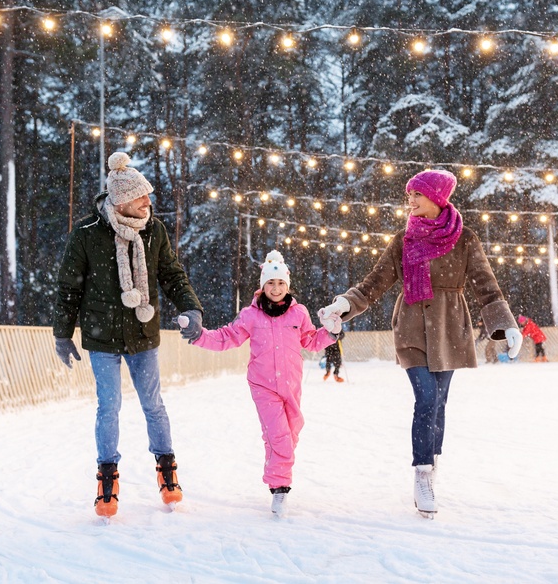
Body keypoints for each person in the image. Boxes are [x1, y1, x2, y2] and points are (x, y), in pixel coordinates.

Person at [317, 169, 522, 519]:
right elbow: (374, 283)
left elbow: (486, 286)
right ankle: (423, 473)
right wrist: (345, 304)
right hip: (411, 328)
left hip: (450, 328)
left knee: (439, 403)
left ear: (437, 198)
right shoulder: (403, 240)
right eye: (409, 195)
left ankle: (432, 457)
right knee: (426, 398)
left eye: (417, 195)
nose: (410, 201)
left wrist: (506, 326)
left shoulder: (465, 239)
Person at [53, 152, 204, 517]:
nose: (148, 203)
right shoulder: (88, 234)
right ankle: (107, 479)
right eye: (141, 198)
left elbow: (171, 274)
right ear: (122, 200)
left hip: (142, 333)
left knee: (153, 405)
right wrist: (62, 333)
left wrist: (192, 307)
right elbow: (68, 287)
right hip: (101, 336)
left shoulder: (154, 230)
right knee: (110, 407)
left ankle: (167, 472)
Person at [178, 250, 339, 516]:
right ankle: (279, 488)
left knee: (290, 432)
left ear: (287, 286)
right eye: (270, 283)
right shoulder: (250, 316)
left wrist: (331, 332)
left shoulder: (298, 313)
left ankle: (277, 466)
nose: (275, 288)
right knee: (280, 437)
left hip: (291, 385)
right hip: (263, 385)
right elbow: (226, 338)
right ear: (262, 286)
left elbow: (311, 341)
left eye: (280, 283)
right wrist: (199, 336)